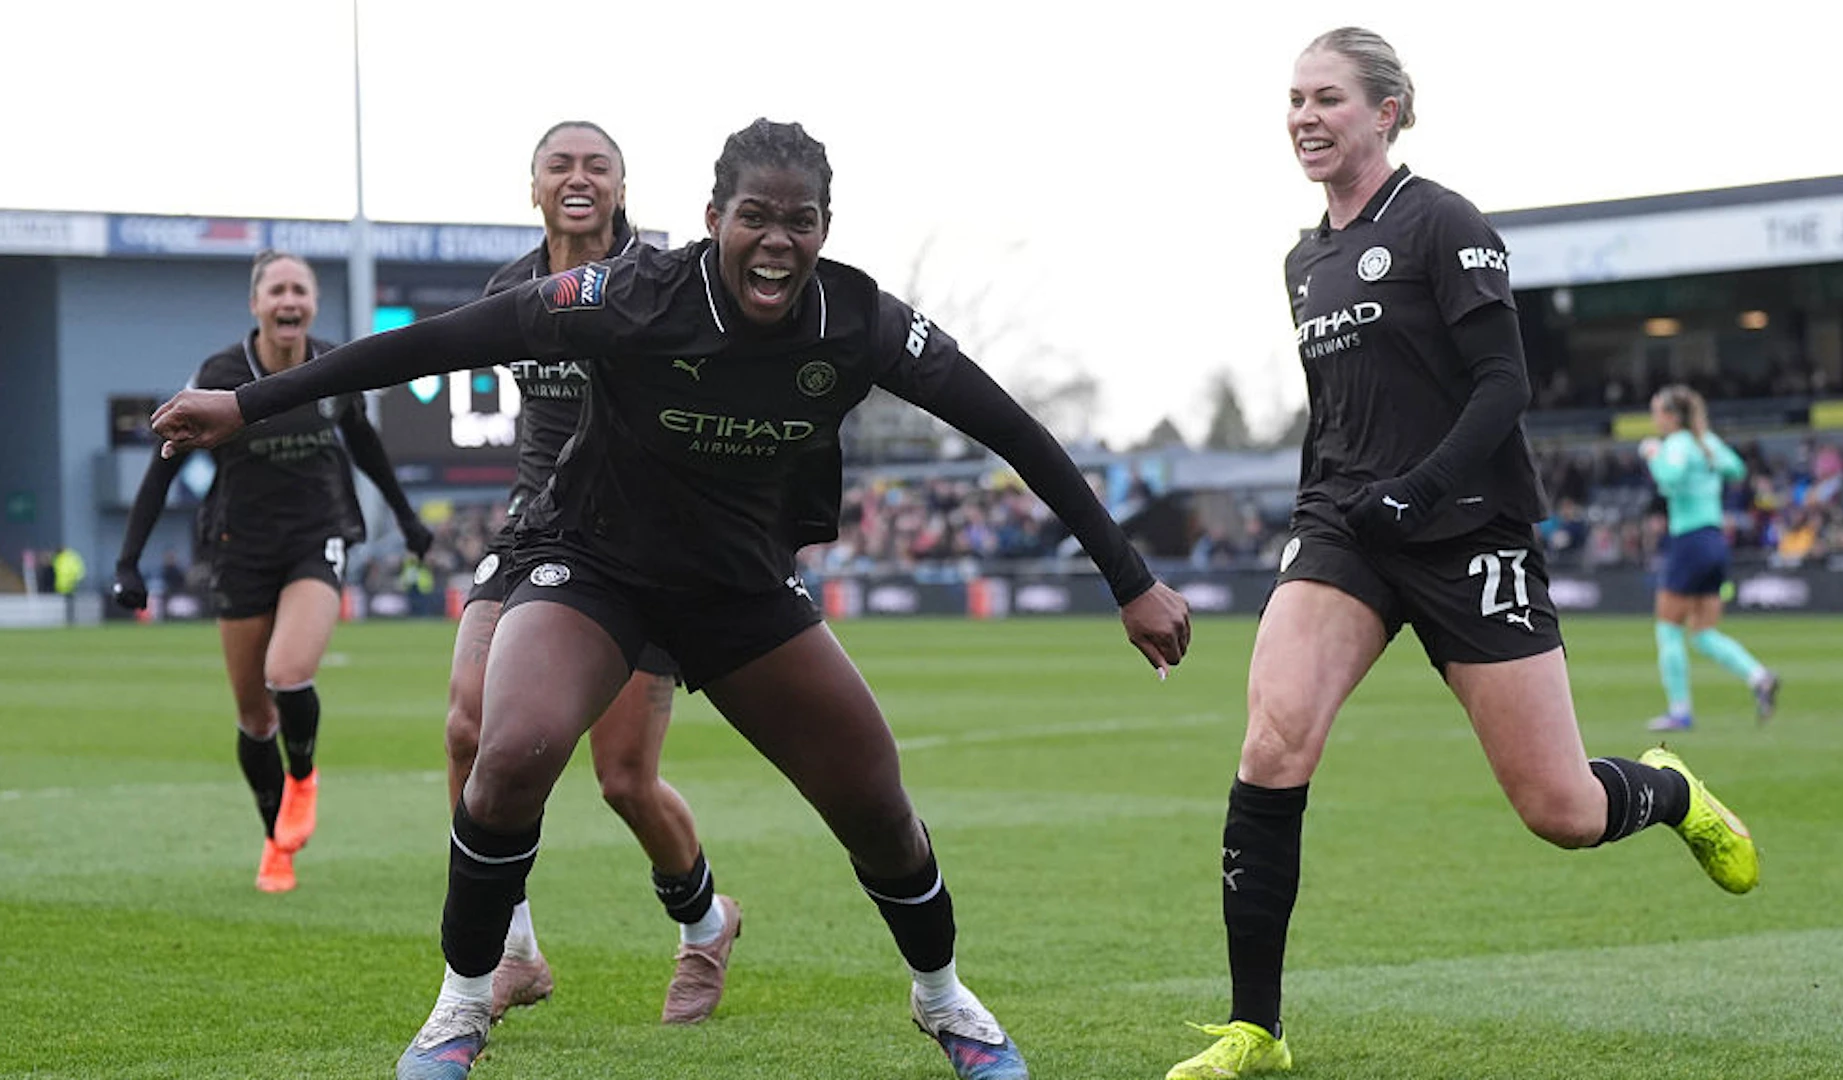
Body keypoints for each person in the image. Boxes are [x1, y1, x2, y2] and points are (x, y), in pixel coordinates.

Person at [150, 117, 1192, 1080]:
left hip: (739, 587)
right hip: (593, 563)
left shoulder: (863, 323)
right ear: (713, 221)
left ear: (826, 229)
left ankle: (944, 1000)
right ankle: (464, 1002)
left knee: (874, 799)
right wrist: (246, 405)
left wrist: (1130, 577)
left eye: (801, 220)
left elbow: (1012, 428)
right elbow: (442, 342)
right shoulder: (632, 294)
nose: (777, 242)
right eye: (756, 217)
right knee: (507, 749)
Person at [1164, 29, 1759, 1079]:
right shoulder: (1304, 261)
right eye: (1294, 99)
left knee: (1561, 811)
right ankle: (1256, 1028)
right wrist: (1324, 509)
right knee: (1272, 742)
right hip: (1347, 529)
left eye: (1328, 98)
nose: (1305, 116)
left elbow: (1502, 389)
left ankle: (1667, 791)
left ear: (1386, 111)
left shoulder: (1445, 223)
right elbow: (1335, 413)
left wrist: (1424, 489)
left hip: (1465, 529)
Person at [450, 120, 742, 1026]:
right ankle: (516, 952)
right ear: (532, 185)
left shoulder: (661, 286)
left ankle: (705, 924)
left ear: (622, 188)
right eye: (559, 165)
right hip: (535, 530)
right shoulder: (509, 288)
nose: (578, 178)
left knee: (622, 778)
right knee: (470, 724)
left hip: (639, 546)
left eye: (597, 167)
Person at [114, 249, 433, 893]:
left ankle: (304, 778)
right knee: (253, 716)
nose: (289, 301)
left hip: (317, 536)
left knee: (288, 674)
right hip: (239, 546)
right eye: (277, 290)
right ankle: (274, 841)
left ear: (313, 303)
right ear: (256, 303)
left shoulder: (333, 365)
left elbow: (363, 443)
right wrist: (128, 560)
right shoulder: (222, 374)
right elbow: (165, 465)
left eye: (301, 291)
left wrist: (406, 518)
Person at [1640, 385, 1780, 731]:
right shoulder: (1708, 442)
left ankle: (1680, 711)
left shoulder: (1675, 445)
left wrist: (1653, 453)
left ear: (1672, 416)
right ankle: (1759, 676)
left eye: (1658, 412)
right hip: (1716, 540)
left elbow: (1669, 475)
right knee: (1703, 632)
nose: (1655, 418)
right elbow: (1736, 470)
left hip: (1689, 540)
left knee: (1668, 628)